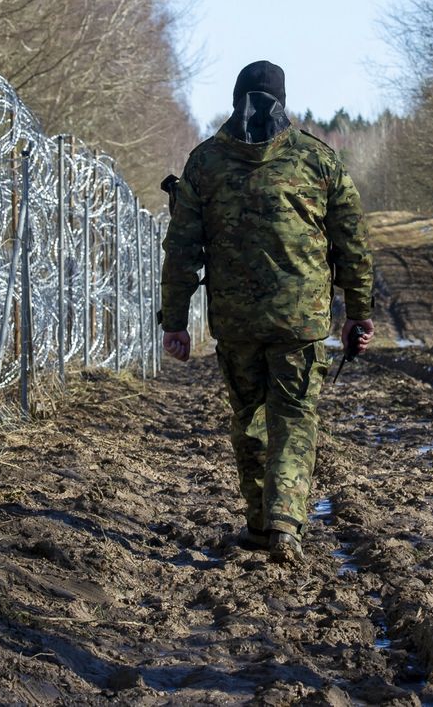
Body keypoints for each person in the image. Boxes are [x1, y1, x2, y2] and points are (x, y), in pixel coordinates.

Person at [160, 60, 375, 564]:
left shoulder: (205, 162)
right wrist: (358, 312)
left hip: (236, 322)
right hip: (301, 320)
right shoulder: (317, 159)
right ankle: (284, 524)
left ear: (236, 99)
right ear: (284, 100)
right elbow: (352, 243)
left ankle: (259, 525)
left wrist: (175, 321)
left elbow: (182, 249)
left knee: (250, 418)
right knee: (294, 418)